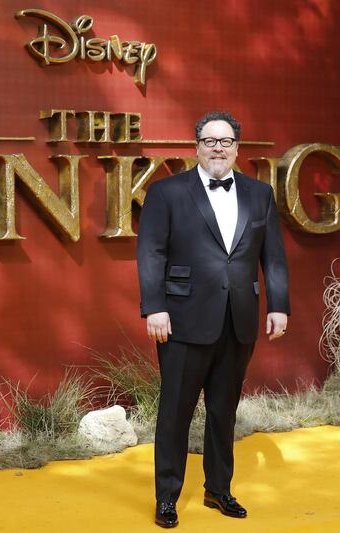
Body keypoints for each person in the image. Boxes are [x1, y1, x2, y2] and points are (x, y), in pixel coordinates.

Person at [137, 111, 290, 528]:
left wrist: (278, 305)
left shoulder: (260, 194)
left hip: (238, 321)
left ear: (237, 148)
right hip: (182, 321)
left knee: (224, 411)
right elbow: (151, 253)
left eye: (225, 141)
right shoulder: (166, 192)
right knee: (176, 413)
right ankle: (167, 497)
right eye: (209, 141)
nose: (217, 148)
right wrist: (154, 306)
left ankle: (218, 490)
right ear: (197, 147)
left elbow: (272, 256)